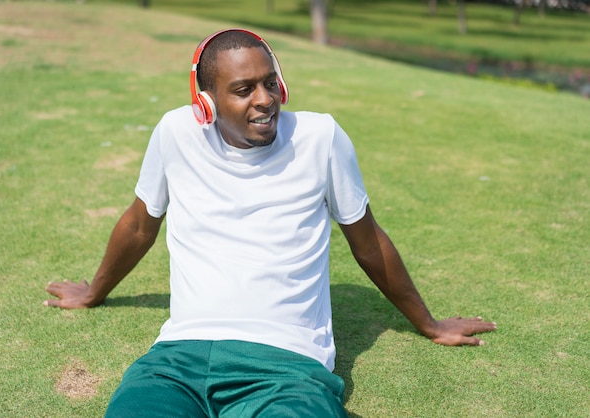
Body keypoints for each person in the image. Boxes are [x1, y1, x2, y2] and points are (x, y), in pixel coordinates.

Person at [44, 29, 496, 417]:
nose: (265, 100)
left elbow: (368, 242)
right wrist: (92, 293)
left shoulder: (320, 138)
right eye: (243, 90)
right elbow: (141, 225)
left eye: (270, 82)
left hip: (285, 368)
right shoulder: (175, 132)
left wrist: (430, 324)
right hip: (175, 361)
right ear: (206, 102)